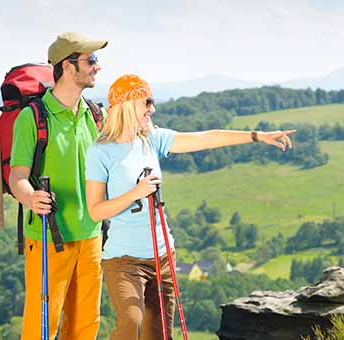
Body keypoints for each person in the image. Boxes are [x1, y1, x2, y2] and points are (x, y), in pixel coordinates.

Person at [85, 74, 296, 339]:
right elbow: (95, 210)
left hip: (162, 256)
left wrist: (257, 136)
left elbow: (206, 138)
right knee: (132, 323)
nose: (153, 109)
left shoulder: (153, 140)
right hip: (123, 260)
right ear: (127, 105)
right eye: (147, 102)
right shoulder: (100, 152)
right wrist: (135, 193)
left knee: (160, 334)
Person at [9, 32, 107, 339]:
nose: (97, 67)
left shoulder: (95, 114)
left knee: (85, 326)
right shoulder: (33, 118)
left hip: (91, 236)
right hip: (49, 237)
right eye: (90, 60)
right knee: (42, 327)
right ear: (67, 66)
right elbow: (17, 177)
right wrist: (30, 197)